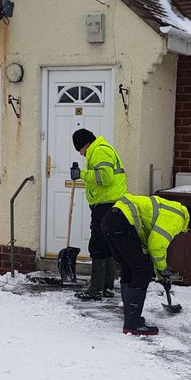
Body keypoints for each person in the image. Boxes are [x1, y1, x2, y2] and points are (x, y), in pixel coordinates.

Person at [101, 193, 191, 336]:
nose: (184, 232)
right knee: (142, 272)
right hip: (121, 221)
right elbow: (157, 245)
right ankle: (132, 323)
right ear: (190, 224)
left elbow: (150, 247)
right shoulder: (177, 218)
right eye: (188, 230)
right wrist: (162, 268)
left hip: (110, 219)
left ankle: (131, 316)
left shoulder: (171, 209)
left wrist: (161, 275)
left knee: (130, 268)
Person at [70, 129, 127, 300]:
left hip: (106, 205)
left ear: (85, 144)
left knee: (98, 244)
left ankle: (96, 289)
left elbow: (105, 177)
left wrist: (81, 174)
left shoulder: (100, 150)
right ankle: (106, 286)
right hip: (108, 204)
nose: (80, 153)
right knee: (107, 244)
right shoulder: (98, 149)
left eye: (79, 149)